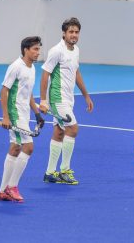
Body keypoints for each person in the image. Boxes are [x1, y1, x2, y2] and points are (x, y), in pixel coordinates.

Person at [40, 17, 93, 184]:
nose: (74, 35)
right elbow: (45, 74)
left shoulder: (76, 50)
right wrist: (43, 100)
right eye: (71, 32)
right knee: (73, 129)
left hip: (69, 98)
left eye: (76, 32)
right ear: (64, 33)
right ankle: (64, 170)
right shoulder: (56, 51)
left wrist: (86, 95)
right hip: (57, 99)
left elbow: (76, 73)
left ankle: (49, 173)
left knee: (59, 132)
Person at [0, 36, 44, 202]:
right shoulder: (16, 67)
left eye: (39, 49)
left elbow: (28, 92)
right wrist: (5, 116)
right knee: (28, 147)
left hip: (25, 113)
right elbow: (4, 91)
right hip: (15, 113)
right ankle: (12, 187)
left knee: (16, 148)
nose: (38, 52)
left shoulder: (32, 68)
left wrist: (37, 113)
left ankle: (2, 191)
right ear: (26, 50)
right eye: (35, 49)